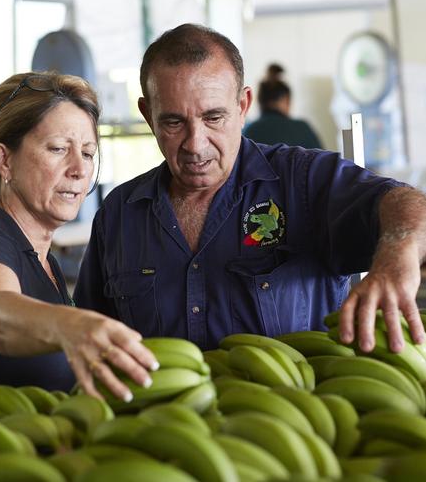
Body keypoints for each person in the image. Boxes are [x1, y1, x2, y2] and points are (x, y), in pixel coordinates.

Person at [74, 24, 426, 356]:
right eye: (174, 122)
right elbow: (89, 339)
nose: (196, 144)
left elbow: (408, 203)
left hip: (298, 415)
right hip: (163, 419)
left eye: (214, 118)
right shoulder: (119, 215)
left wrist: (398, 254)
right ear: (148, 115)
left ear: (243, 106)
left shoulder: (303, 182)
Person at [0, 72, 157, 408]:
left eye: (88, 153)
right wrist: (72, 325)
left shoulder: (43, 260)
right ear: (4, 160)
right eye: (59, 149)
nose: (79, 169)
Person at [243, 63, 322, 148]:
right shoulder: (302, 129)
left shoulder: (248, 131)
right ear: (285, 99)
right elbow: (325, 159)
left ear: (258, 100)